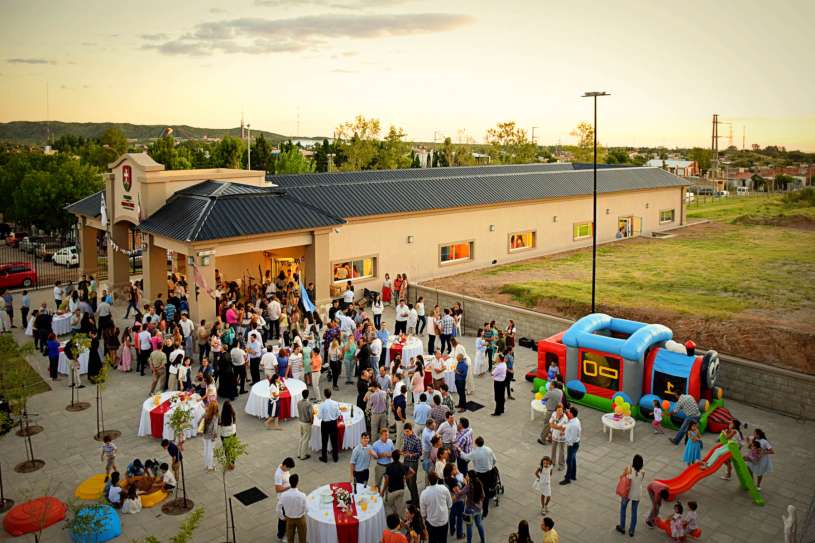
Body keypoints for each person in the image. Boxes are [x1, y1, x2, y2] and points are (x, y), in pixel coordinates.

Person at [459, 436, 496, 519]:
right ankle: (485, 511)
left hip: (478, 474)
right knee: (485, 492)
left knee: (477, 491)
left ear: (476, 443)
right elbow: (494, 460)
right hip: (487, 474)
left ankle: (476, 508)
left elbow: (465, 457)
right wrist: (491, 465)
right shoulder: (489, 449)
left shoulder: (475, 452)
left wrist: (460, 451)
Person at [616, 454, 645, 536]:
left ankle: (622, 527)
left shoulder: (628, 469)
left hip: (627, 493)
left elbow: (622, 477)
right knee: (634, 512)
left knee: (623, 509)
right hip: (637, 494)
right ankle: (631, 530)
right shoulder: (643, 472)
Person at [420, 472, 453, 543]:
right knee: (443, 540)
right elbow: (450, 504)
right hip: (443, 521)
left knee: (432, 540)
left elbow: (423, 513)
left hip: (431, 522)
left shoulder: (424, 493)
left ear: (428, 480)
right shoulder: (444, 489)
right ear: (437, 479)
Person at [277, 473, 308, 543]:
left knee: (290, 539)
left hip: (289, 519)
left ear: (289, 482)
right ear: (297, 482)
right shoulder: (302, 495)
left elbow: (278, 508)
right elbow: (307, 509)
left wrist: (282, 517)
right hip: (300, 519)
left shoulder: (283, 495)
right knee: (302, 538)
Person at [382, 450, 413, 517]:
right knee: (400, 505)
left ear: (392, 457)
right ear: (399, 457)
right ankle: (401, 517)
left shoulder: (389, 467)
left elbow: (386, 481)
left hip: (392, 491)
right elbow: (413, 472)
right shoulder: (403, 465)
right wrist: (406, 477)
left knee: (390, 504)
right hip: (401, 489)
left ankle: (396, 516)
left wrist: (383, 491)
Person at [274, 457, 296, 542]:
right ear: (285, 465)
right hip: (283, 499)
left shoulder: (284, 469)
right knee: (282, 518)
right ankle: (281, 535)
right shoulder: (278, 475)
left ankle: (287, 531)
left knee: (288, 515)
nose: (289, 470)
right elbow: (278, 489)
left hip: (288, 496)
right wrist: (289, 487)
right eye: (289, 468)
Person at [559, 406, 581, 485]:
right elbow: (568, 427)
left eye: (569, 412)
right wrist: (564, 430)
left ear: (571, 414)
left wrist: (564, 438)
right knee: (573, 459)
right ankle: (573, 475)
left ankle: (567, 478)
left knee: (569, 461)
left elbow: (572, 438)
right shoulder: (573, 420)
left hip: (572, 445)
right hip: (574, 444)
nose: (567, 413)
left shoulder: (574, 425)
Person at [318, 387, 340, 463]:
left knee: (324, 441)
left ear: (324, 395)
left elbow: (319, 416)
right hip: (333, 423)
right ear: (331, 394)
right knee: (334, 441)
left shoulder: (322, 405)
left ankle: (324, 458)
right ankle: (335, 457)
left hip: (325, 424)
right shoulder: (335, 403)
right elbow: (338, 414)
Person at [463, 470, 485, 543]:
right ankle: (483, 540)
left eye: (467, 475)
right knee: (479, 524)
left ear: (470, 477)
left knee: (469, 527)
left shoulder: (468, 486)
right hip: (478, 508)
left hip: (469, 509)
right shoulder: (479, 483)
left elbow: (461, 493)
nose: (466, 476)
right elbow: (483, 496)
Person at [296, 389, 314, 460]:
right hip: (306, 423)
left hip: (300, 421)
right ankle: (303, 455)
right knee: (306, 439)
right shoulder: (308, 404)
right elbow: (311, 414)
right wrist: (312, 421)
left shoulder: (299, 402)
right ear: (307, 395)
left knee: (302, 437)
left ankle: (299, 453)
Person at [202, 401, 219, 471]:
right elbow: (214, 428)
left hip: (204, 434)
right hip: (211, 436)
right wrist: (214, 436)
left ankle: (206, 464)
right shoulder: (215, 417)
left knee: (206, 449)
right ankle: (210, 466)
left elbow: (199, 422)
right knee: (211, 451)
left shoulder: (205, 413)